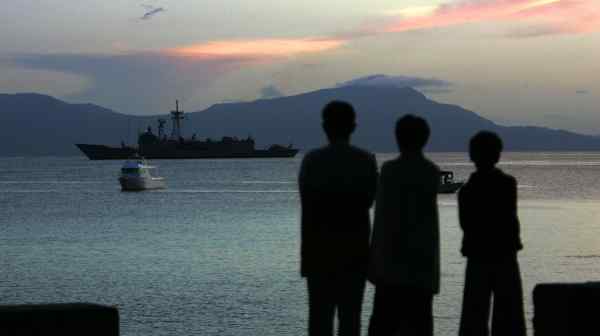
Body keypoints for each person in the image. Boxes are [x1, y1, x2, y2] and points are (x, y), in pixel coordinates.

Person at [298, 101, 378, 336]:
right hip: (355, 254)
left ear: (325, 126)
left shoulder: (312, 161)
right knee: (351, 321)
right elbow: (369, 200)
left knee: (319, 321)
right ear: (353, 126)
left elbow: (307, 205)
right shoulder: (364, 161)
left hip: (318, 254)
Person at [368, 115, 440, 336]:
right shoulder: (430, 172)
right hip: (422, 268)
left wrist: (373, 260)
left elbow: (382, 221)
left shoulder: (389, 172)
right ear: (425, 139)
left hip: (390, 266)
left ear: (397, 138)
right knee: (420, 325)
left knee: (382, 325)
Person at [458, 131, 526, 336]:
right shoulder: (507, 184)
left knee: (473, 313)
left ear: (471, 155)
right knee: (510, 313)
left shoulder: (467, 190)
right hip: (505, 254)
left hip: (477, 255)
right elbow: (511, 219)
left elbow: (466, 224)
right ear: (498, 155)